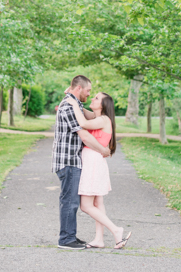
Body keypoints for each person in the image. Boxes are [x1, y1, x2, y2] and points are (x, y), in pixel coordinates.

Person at [64, 92, 132, 249]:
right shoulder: (98, 118)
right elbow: (84, 113)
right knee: (97, 202)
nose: (92, 99)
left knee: (86, 206)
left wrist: (74, 104)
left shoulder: (102, 120)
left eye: (96, 98)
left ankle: (116, 229)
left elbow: (82, 122)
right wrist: (73, 97)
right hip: (94, 161)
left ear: (102, 105)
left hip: (93, 162)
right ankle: (99, 239)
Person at [52, 75, 111, 250]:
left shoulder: (74, 103)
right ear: (79, 89)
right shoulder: (69, 107)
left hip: (72, 160)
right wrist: (103, 150)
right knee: (69, 201)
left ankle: (70, 236)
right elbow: (84, 134)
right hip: (68, 160)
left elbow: (92, 117)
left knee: (71, 201)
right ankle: (66, 240)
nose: (89, 94)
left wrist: (69, 94)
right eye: (88, 91)